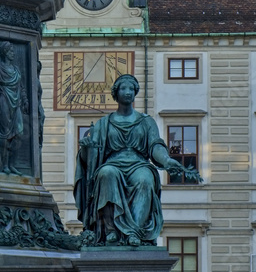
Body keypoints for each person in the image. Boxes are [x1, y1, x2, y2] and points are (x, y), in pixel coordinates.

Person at [74, 74, 200, 246]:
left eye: (131, 89)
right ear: (115, 93)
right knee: (106, 173)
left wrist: (166, 160)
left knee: (145, 179)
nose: (127, 92)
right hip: (113, 163)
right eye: (123, 88)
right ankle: (110, 230)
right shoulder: (104, 123)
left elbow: (155, 146)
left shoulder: (146, 122)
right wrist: (85, 149)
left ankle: (135, 232)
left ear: (135, 93)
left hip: (139, 164)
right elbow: (89, 160)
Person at [0, 42, 28, 175]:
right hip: (4, 100)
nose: (13, 53)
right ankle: (4, 165)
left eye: (13, 50)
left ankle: (12, 164)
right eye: (11, 51)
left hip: (16, 103)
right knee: (4, 135)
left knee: (19, 134)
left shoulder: (16, 69)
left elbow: (21, 87)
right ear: (4, 52)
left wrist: (25, 100)